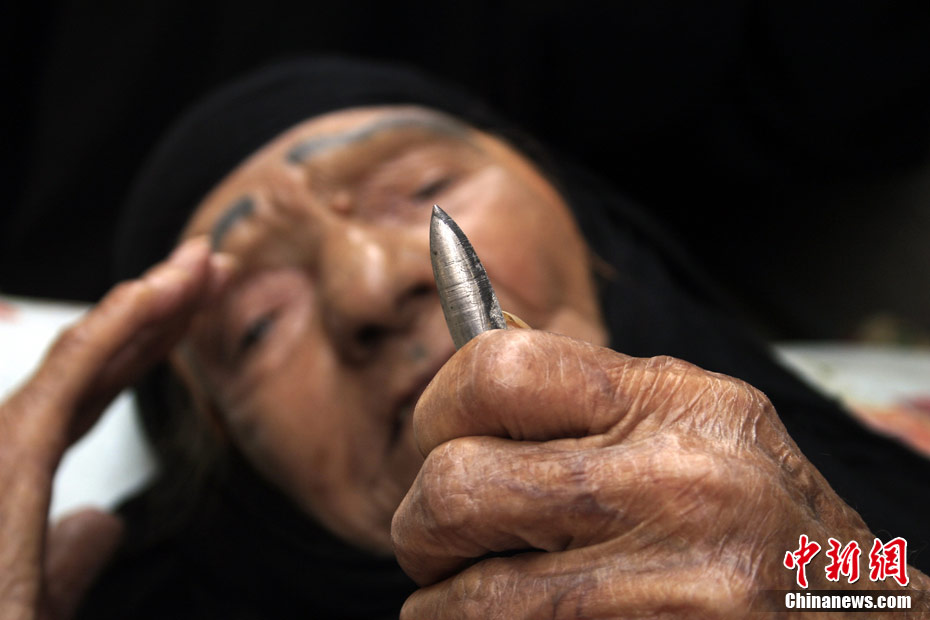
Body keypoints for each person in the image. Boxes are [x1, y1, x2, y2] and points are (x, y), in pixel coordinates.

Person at [1, 56, 928, 619]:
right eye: (255, 322)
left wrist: (858, 605)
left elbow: (861, 586)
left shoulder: (862, 546)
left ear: (590, 236)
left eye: (414, 186)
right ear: (232, 468)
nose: (371, 283)